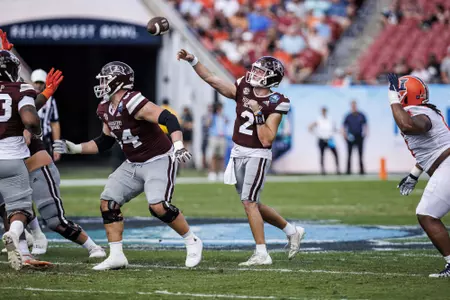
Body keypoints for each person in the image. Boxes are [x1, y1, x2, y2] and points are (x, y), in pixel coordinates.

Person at [53, 61, 202, 270]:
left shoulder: (133, 102)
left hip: (158, 159)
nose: (102, 84)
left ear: (118, 81)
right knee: (108, 202)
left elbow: (169, 118)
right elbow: (104, 141)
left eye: (105, 80)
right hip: (133, 162)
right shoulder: (104, 107)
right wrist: (75, 148)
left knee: (158, 206)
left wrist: (178, 145)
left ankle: (191, 240)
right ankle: (116, 255)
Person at [178, 49, 305, 266]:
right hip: (238, 152)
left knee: (249, 202)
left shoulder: (277, 101)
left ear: (271, 77)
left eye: (260, 71)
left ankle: (262, 253)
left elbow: (266, 139)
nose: (253, 73)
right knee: (251, 202)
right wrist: (194, 60)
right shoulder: (244, 86)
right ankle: (292, 230)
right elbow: (212, 80)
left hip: (257, 154)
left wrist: (257, 113)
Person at [388, 73, 450, 278]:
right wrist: (415, 174)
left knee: (427, 214)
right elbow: (431, 150)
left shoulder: (418, 112)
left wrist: (393, 100)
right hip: (444, 164)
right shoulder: (424, 110)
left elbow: (410, 125)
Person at [0, 49, 44, 270]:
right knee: (21, 209)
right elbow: (30, 119)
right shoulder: (21, 89)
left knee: (2, 205)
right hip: (11, 158)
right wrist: (36, 131)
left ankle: (24, 252)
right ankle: (13, 233)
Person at [31, 69, 61, 162]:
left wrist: (57, 147)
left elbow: (54, 124)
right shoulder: (25, 97)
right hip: (29, 140)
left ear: (45, 83)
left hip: (44, 140)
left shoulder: (50, 100)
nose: (38, 85)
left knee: (47, 170)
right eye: (36, 82)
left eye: (41, 82)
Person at [308, 107, 339, 175]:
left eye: (324, 111)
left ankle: (337, 169)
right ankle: (323, 170)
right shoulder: (319, 119)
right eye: (323, 111)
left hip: (329, 139)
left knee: (335, 154)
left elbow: (333, 128)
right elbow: (311, 126)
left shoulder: (330, 119)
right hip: (321, 139)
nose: (323, 112)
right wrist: (313, 131)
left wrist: (337, 131)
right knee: (322, 155)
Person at [343, 100, 367, 175]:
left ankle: (361, 170)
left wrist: (365, 134)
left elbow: (365, 125)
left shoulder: (361, 115)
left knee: (360, 154)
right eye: (352, 106)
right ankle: (348, 171)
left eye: (354, 105)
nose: (354, 107)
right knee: (349, 154)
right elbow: (344, 126)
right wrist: (345, 135)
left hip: (359, 137)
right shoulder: (348, 116)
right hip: (350, 137)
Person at [206, 102, 228, 181]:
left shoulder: (223, 116)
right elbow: (207, 124)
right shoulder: (212, 116)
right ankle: (212, 172)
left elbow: (227, 122)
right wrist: (211, 113)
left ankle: (221, 172)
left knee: (221, 156)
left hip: (222, 137)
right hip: (214, 137)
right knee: (213, 155)